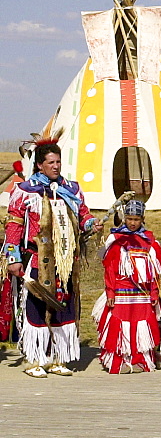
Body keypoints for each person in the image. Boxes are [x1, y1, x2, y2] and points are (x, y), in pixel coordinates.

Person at [3, 141, 102, 377]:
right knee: (36, 305)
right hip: (36, 258)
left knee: (63, 305)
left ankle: (59, 358)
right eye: (51, 162)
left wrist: (90, 223)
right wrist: (13, 257)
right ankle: (35, 359)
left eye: (58, 162)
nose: (56, 166)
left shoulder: (71, 189)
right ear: (39, 165)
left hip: (65, 261)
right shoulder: (26, 191)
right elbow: (14, 225)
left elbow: (82, 213)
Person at [92, 199, 161, 374]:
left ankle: (140, 359)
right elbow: (109, 267)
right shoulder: (115, 239)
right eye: (130, 219)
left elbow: (155, 272)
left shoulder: (150, 241)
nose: (133, 223)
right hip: (121, 291)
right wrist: (110, 292)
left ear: (143, 219)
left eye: (137, 219)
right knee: (120, 325)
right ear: (125, 218)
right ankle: (119, 360)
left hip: (142, 293)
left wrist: (154, 293)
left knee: (141, 325)